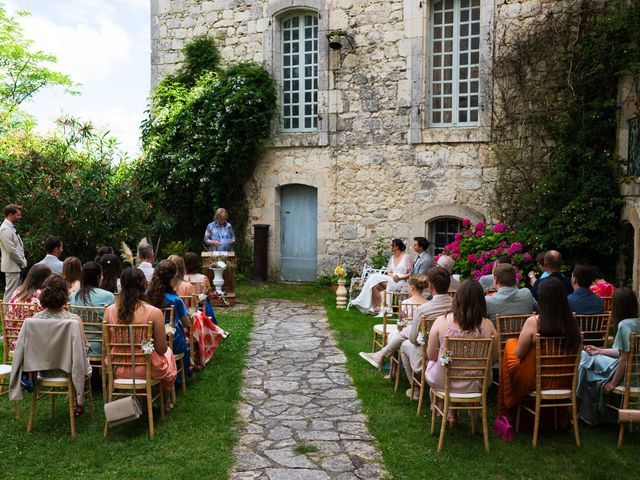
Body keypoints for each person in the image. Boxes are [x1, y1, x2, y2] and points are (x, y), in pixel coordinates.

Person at [497, 277, 581, 427]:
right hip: (565, 380)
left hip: (537, 381)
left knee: (510, 344)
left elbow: (519, 355)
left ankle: (508, 407)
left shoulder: (534, 322)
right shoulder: (572, 323)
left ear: (542, 298)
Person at [426, 280, 498, 425]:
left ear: (457, 298)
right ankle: (452, 411)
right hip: (477, 382)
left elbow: (431, 356)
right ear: (481, 300)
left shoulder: (441, 321)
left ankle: (447, 409)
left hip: (444, 381)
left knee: (435, 363)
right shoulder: (488, 326)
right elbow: (494, 359)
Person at [104, 268, 177, 412]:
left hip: (117, 369)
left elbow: (105, 346)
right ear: (144, 285)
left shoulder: (109, 311)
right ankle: (165, 401)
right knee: (168, 353)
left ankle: (144, 400)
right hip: (145, 369)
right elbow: (161, 349)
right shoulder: (154, 312)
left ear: (122, 285)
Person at [576, 287, 640, 425]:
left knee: (584, 358)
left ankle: (578, 401)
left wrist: (612, 383)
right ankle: (585, 413)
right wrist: (599, 350)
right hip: (636, 376)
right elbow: (621, 352)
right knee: (589, 366)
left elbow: (624, 359)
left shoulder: (624, 325)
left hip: (624, 376)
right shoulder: (637, 323)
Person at [29, 275, 91, 414]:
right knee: (79, 357)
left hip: (42, 369)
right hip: (68, 371)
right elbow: (82, 348)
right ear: (65, 294)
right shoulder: (74, 320)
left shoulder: (33, 320)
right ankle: (77, 399)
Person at [400, 266, 454, 391]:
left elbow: (414, 339)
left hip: (427, 354)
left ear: (430, 286)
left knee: (404, 345)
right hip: (450, 350)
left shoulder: (423, 310)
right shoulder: (455, 305)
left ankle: (415, 389)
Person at [358, 274, 428, 369]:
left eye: (407, 286)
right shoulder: (428, 304)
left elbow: (401, 323)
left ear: (412, 287)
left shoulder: (406, 303)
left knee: (393, 335)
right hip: (422, 335)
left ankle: (393, 367)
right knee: (394, 335)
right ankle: (388, 363)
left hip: (408, 333)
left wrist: (400, 328)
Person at [146, 260, 192, 379]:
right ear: (173, 278)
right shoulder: (176, 300)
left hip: (149, 340)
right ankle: (180, 376)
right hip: (173, 341)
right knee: (184, 346)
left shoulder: (146, 296)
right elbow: (186, 323)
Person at [351, 239, 412, 315]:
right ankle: (379, 307)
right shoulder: (392, 258)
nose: (391, 247)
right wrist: (392, 276)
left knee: (373, 276)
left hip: (400, 283)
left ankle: (360, 299)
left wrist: (399, 277)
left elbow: (410, 273)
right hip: (391, 279)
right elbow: (388, 272)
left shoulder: (406, 257)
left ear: (397, 247)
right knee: (374, 286)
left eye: (392, 245)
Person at [70, 261, 115, 357]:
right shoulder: (108, 296)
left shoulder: (73, 296)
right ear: (98, 277)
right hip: (102, 345)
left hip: (78, 344)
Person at [5, 264, 51, 350]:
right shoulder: (42, 295)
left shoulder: (17, 291)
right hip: (33, 344)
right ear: (45, 279)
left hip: (13, 341)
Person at [0, 204, 27, 301]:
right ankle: (6, 315)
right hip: (12, 266)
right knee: (10, 293)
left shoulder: (10, 227)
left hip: (16, 266)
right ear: (11, 215)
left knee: (16, 293)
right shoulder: (5, 229)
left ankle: (12, 313)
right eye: (18, 215)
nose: (20, 217)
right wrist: (23, 262)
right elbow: (11, 251)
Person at [184, 251, 218, 324]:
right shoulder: (204, 278)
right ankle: (207, 324)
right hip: (201, 307)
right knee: (206, 302)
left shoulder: (181, 279)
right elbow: (209, 297)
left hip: (185, 307)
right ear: (197, 264)